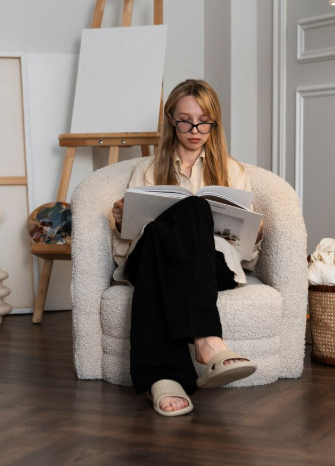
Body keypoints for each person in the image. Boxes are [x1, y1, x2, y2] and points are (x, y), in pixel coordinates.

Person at [110, 79, 264, 417]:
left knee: (195, 208)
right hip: (148, 259)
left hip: (213, 266)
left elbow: (247, 255)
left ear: (215, 123)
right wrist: (122, 221)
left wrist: (254, 230)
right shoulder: (146, 170)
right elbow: (125, 249)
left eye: (204, 121)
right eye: (185, 119)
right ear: (170, 120)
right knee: (169, 228)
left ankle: (162, 377)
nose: (195, 129)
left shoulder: (232, 171)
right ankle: (208, 341)